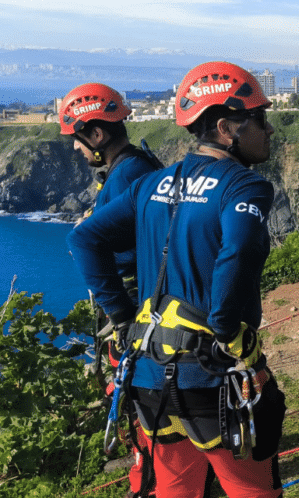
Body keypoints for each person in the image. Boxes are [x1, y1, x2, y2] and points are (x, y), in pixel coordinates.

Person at [68, 62, 286, 498]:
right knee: (252, 490)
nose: (269, 129)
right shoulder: (243, 186)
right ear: (226, 128)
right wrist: (227, 329)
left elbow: (85, 238)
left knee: (175, 489)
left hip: (149, 375)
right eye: (259, 118)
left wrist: (124, 316)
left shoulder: (152, 183)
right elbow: (238, 251)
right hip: (212, 377)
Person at [60, 82, 164, 497]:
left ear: (97, 134)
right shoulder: (131, 169)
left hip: (135, 304)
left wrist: (121, 316)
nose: (75, 149)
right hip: (141, 299)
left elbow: (95, 242)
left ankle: (154, 481)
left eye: (76, 139)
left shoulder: (130, 175)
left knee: (142, 397)